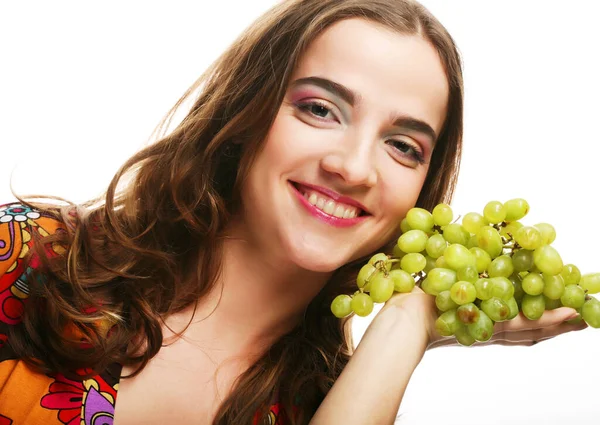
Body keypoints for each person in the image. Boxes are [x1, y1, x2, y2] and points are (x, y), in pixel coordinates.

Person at [0, 0, 587, 424]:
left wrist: (410, 321)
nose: (355, 169)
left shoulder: (340, 403)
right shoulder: (26, 259)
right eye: (321, 109)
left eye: (403, 146)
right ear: (247, 112)